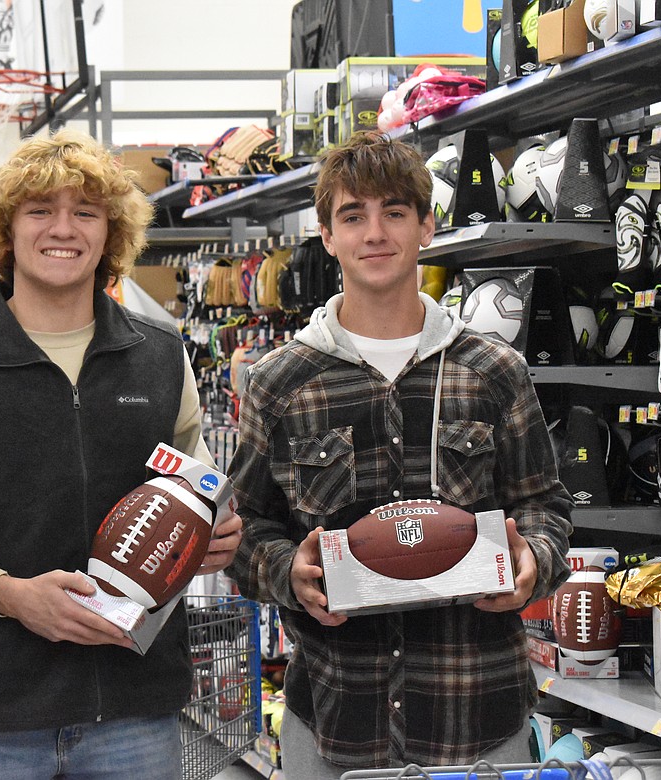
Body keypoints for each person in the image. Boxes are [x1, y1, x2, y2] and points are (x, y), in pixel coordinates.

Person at [225, 131, 573, 776]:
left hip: (477, 715)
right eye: (353, 216)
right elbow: (241, 532)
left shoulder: (494, 370)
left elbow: (545, 505)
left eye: (394, 212)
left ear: (427, 226)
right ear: (328, 236)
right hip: (333, 715)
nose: (374, 233)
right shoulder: (280, 380)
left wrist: (535, 562)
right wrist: (287, 572)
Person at [0, 129, 242, 780]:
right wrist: (9, 594)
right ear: (8, 231)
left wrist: (217, 531)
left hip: (134, 707)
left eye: (85, 212)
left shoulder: (158, 354)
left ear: (110, 232)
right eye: (40, 210)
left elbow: (197, 484)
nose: (62, 228)